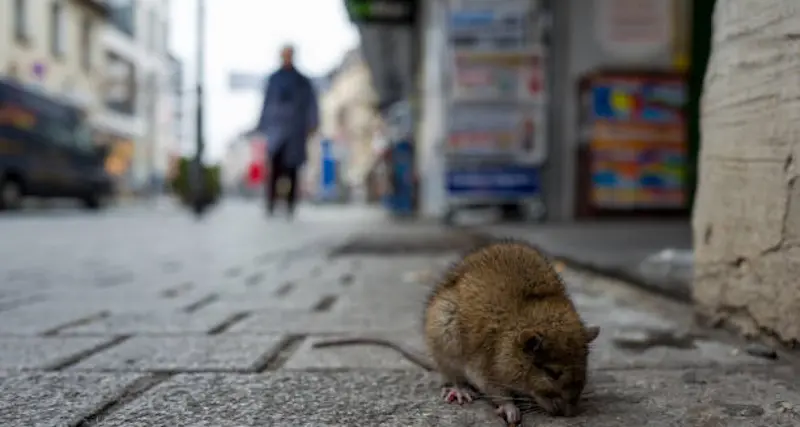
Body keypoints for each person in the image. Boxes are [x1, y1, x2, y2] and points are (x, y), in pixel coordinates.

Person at [255, 44, 319, 218]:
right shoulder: (273, 79)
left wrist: (312, 124)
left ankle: (290, 205)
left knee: (292, 169)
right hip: (276, 129)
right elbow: (266, 103)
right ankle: (271, 203)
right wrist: (262, 126)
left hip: (295, 129)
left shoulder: (303, 81)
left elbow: (311, 104)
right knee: (274, 167)